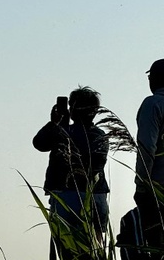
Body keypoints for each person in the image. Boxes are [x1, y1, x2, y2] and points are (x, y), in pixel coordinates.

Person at [32, 87, 109, 239]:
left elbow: (39, 143)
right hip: (95, 193)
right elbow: (96, 165)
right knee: (95, 246)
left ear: (72, 109)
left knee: (65, 245)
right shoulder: (100, 135)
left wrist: (54, 123)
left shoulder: (62, 132)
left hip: (66, 193)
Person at [136, 59, 164, 246]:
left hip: (157, 188)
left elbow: (147, 148)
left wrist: (142, 184)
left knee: (156, 246)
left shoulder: (153, 104)